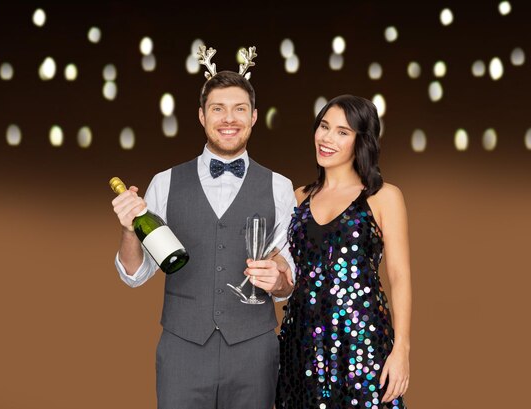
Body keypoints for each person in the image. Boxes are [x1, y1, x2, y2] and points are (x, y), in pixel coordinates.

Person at [111, 56, 296, 408]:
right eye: (218, 109)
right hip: (182, 350)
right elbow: (135, 275)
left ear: (253, 117)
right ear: (201, 116)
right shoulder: (164, 183)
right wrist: (129, 231)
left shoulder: (280, 187)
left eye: (239, 109)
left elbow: (287, 282)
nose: (229, 119)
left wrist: (281, 281)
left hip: (254, 351)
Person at [275, 95, 412, 408]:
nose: (327, 138)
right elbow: (284, 265)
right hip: (301, 342)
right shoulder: (297, 197)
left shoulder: (383, 196)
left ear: (360, 142)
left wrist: (401, 349)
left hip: (362, 343)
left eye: (342, 132)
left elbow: (399, 276)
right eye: (324, 127)